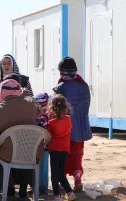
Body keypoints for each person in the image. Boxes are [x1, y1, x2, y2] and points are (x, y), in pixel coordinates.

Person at [0, 79, 44, 200]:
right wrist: (26, 96)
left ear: (1, 92)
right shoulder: (31, 105)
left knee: (2, 154)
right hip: (32, 153)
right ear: (19, 90)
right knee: (25, 151)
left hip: (9, 155)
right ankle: (23, 189)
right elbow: (40, 111)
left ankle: (9, 188)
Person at [53, 57, 92, 193]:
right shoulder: (83, 84)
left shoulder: (61, 86)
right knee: (77, 153)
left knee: (63, 154)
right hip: (81, 127)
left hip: (65, 128)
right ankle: (77, 177)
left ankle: (63, 184)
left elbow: (56, 108)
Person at [47, 95, 76, 201]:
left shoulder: (51, 123)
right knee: (60, 172)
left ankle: (57, 195)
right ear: (66, 108)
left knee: (55, 173)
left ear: (52, 108)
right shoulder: (69, 119)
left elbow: (48, 135)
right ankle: (70, 192)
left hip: (54, 149)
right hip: (65, 149)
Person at [34, 92, 50, 195]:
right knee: (42, 168)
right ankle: (41, 186)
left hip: (41, 147)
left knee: (40, 168)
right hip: (44, 147)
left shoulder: (41, 118)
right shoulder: (46, 116)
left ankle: (42, 187)